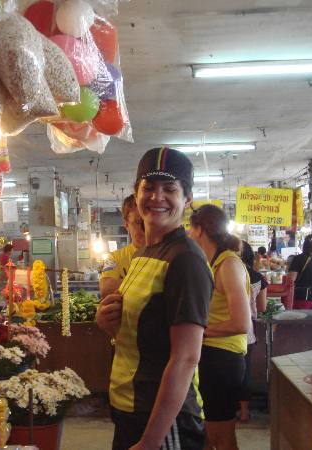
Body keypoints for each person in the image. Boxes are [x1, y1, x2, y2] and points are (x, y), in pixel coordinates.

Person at [97, 147, 213, 450]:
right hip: (131, 408)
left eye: (169, 189)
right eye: (148, 187)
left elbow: (186, 358)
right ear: (136, 193)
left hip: (163, 421)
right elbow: (139, 335)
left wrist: (151, 440)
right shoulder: (144, 254)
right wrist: (108, 324)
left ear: (187, 200)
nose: (156, 197)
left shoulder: (186, 260)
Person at [189, 204, 251, 450]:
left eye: (190, 229)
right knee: (204, 435)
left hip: (223, 359)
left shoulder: (228, 264)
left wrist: (198, 332)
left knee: (220, 437)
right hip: (209, 356)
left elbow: (241, 323)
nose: (189, 234)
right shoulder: (211, 263)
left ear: (201, 230)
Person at [238, 241, 268, 423]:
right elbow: (262, 307)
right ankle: (244, 412)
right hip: (247, 332)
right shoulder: (258, 278)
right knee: (244, 372)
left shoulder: (221, 271)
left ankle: (223, 411)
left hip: (221, 330)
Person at [99, 194, 146, 298]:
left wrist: (122, 283)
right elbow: (106, 288)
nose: (143, 228)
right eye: (137, 222)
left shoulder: (165, 253)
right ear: (126, 224)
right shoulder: (113, 257)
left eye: (147, 222)